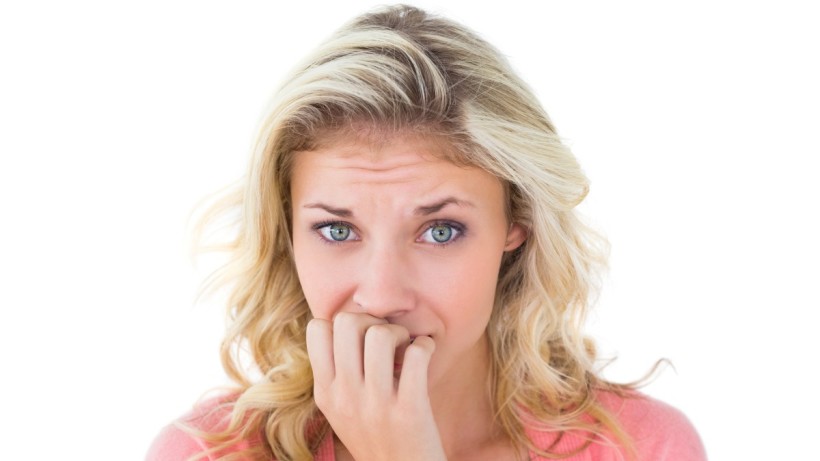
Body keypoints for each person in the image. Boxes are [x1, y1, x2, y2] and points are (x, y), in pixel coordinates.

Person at [146, 5, 706, 460]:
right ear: (287, 233)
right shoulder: (206, 453)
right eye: (337, 231)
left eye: (440, 231)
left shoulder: (640, 447)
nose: (383, 296)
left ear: (518, 225)